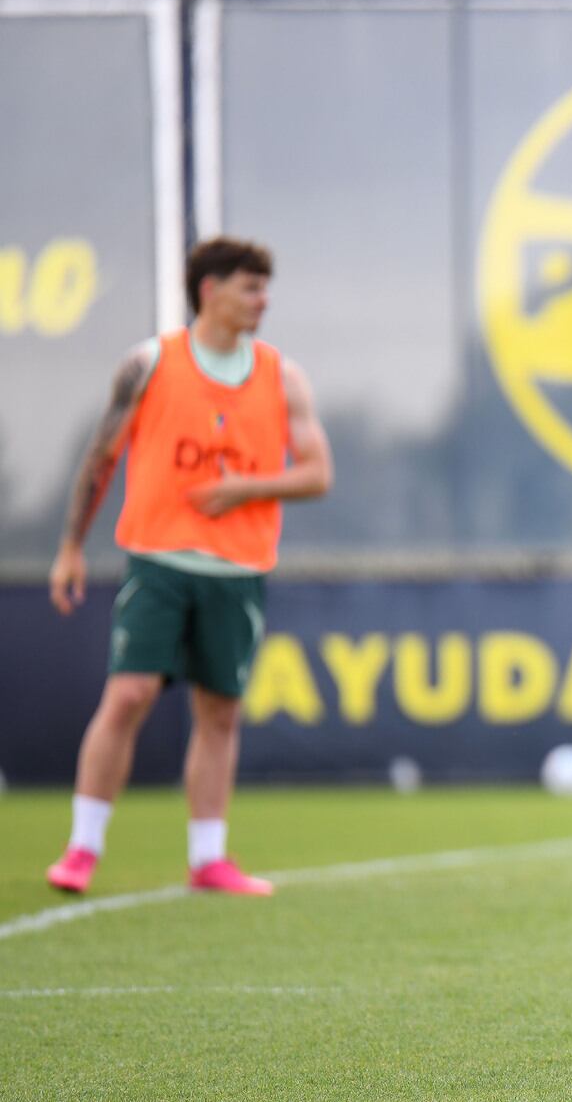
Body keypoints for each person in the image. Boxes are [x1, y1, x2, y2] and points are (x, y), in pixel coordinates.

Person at [45, 237, 333, 898]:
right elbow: (100, 457)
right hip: (159, 560)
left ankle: (209, 856)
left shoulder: (281, 375)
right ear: (210, 290)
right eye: (249, 287)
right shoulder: (150, 364)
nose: (262, 301)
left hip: (239, 569)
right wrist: (70, 546)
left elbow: (318, 473)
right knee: (129, 694)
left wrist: (246, 488)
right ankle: (82, 847)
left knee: (221, 710)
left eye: (265, 288)